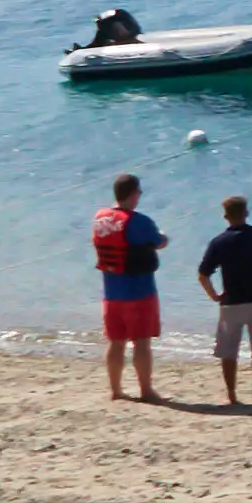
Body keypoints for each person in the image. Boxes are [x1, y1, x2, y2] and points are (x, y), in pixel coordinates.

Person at [197, 193, 252, 410]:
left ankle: (231, 395)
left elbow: (203, 274)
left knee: (229, 351)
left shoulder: (219, 242)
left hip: (232, 303)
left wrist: (214, 295)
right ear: (246, 213)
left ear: (225, 216)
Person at [92, 170, 167, 402]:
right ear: (134, 194)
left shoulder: (100, 219)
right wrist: (163, 236)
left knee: (116, 343)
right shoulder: (140, 221)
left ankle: (116, 390)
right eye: (139, 193)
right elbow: (159, 241)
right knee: (141, 343)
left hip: (111, 293)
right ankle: (146, 390)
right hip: (140, 292)